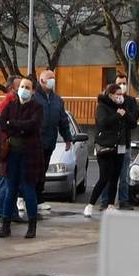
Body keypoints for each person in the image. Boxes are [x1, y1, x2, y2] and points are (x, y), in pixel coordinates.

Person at [0, 74, 46, 240]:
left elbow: (33, 125)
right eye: (22, 87)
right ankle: (5, 224)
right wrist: (16, 126)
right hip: (12, 154)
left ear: (33, 92)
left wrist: (14, 125)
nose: (24, 90)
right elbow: (3, 123)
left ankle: (32, 225)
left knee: (28, 190)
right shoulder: (11, 106)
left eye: (27, 88)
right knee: (10, 190)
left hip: (29, 155)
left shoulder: (37, 107)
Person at [88, 81, 139, 216]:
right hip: (106, 146)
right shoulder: (102, 106)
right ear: (111, 95)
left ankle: (111, 204)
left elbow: (133, 123)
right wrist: (117, 115)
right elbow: (103, 122)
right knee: (104, 177)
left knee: (116, 176)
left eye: (121, 94)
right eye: (117, 94)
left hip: (121, 145)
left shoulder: (124, 105)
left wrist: (125, 114)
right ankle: (91, 204)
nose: (120, 96)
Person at [36, 67, 77, 195]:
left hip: (50, 142)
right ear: (42, 80)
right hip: (35, 142)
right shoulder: (34, 98)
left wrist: (67, 138)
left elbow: (63, 121)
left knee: (43, 171)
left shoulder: (57, 100)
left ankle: (38, 199)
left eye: (53, 79)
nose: (52, 81)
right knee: (33, 171)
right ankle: (23, 197)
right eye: (50, 79)